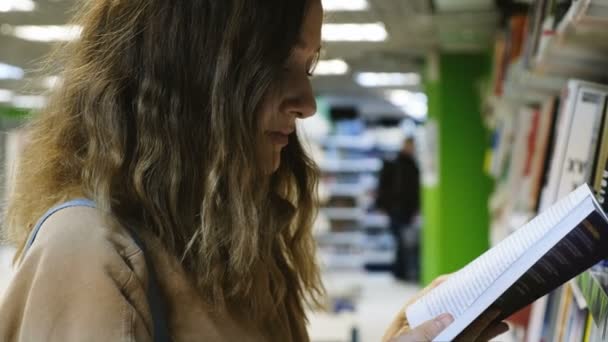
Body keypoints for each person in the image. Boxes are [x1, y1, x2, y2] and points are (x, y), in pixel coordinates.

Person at [0, 1, 507, 341]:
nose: (306, 103)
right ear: (192, 75)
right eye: (278, 65)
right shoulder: (86, 253)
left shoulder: (230, 243)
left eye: (307, 68)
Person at [377, 137, 421, 281]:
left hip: (407, 210)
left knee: (404, 242)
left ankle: (402, 272)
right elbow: (384, 187)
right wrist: (383, 205)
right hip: (396, 209)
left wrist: (416, 208)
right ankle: (401, 272)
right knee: (401, 241)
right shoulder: (394, 164)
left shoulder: (413, 165)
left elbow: (415, 190)